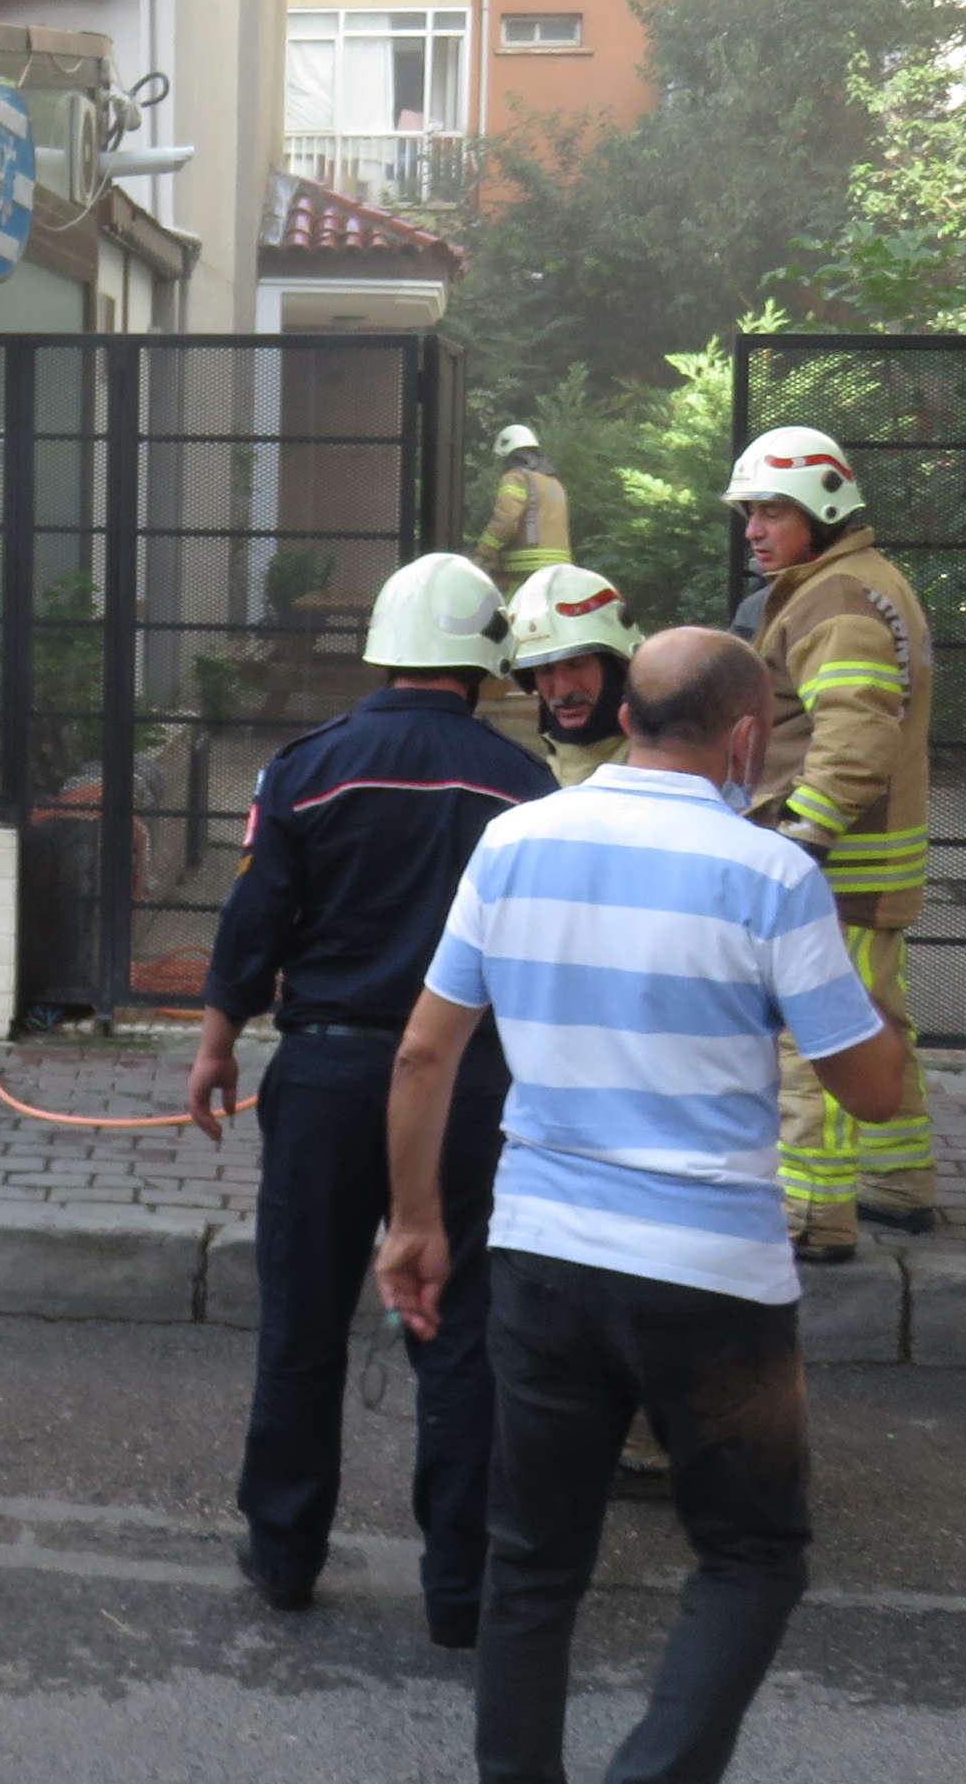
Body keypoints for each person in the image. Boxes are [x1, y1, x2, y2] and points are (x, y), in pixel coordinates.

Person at [376, 628, 912, 1784]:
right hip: (712, 1280)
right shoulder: (768, 871)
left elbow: (428, 1049)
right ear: (745, 740)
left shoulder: (518, 844)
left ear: (623, 712)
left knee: (533, 1568)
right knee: (750, 1553)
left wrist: (422, 1223)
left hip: (545, 1260)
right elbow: (872, 1089)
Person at [185, 552, 549, 1642]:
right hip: (471, 1085)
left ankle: (285, 1553)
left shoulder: (306, 768)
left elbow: (256, 925)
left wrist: (215, 1043)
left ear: (384, 648)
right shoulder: (526, 789)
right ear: (486, 665)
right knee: (465, 1330)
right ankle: (460, 1592)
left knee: (302, 1317)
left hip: (330, 1074)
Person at [726, 426, 938, 1264]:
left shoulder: (836, 599)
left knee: (812, 1039)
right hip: (868, 862)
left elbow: (854, 732)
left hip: (834, 863)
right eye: (749, 512)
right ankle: (898, 1182)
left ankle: (812, 1216)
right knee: (876, 1021)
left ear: (821, 507)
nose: (753, 529)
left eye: (771, 510)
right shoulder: (856, 582)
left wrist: (801, 837)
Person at [505, 562, 636, 786]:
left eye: (577, 664)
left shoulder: (667, 772)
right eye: (545, 670)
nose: (563, 690)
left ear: (616, 668)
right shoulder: (521, 782)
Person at [472, 423, 572, 589]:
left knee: (508, 613)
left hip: (526, 571)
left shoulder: (516, 477)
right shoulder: (554, 483)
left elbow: (506, 520)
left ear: (510, 455)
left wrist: (482, 554)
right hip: (561, 571)